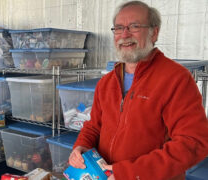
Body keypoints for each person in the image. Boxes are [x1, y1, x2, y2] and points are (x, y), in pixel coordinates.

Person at [68, 1, 208, 180]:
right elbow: (94, 127)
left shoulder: (176, 78)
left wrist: (129, 173)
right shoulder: (107, 82)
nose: (124, 35)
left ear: (154, 32)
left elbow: (193, 142)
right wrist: (80, 147)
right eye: (119, 28)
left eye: (134, 26)